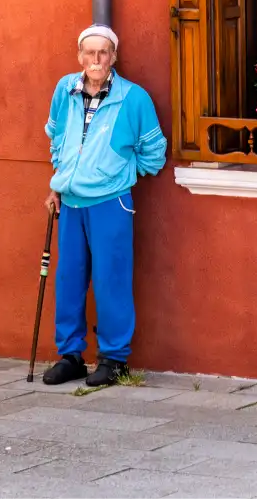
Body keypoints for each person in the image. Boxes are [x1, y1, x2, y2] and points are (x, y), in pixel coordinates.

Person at [40, 24, 167, 388]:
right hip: (71, 202)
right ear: (79, 56)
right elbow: (56, 138)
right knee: (69, 279)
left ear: (113, 57)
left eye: (103, 53)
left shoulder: (133, 98)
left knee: (111, 280)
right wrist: (59, 182)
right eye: (89, 53)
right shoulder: (65, 91)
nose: (96, 59)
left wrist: (118, 173)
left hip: (112, 202)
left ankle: (114, 359)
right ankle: (71, 355)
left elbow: (154, 152)